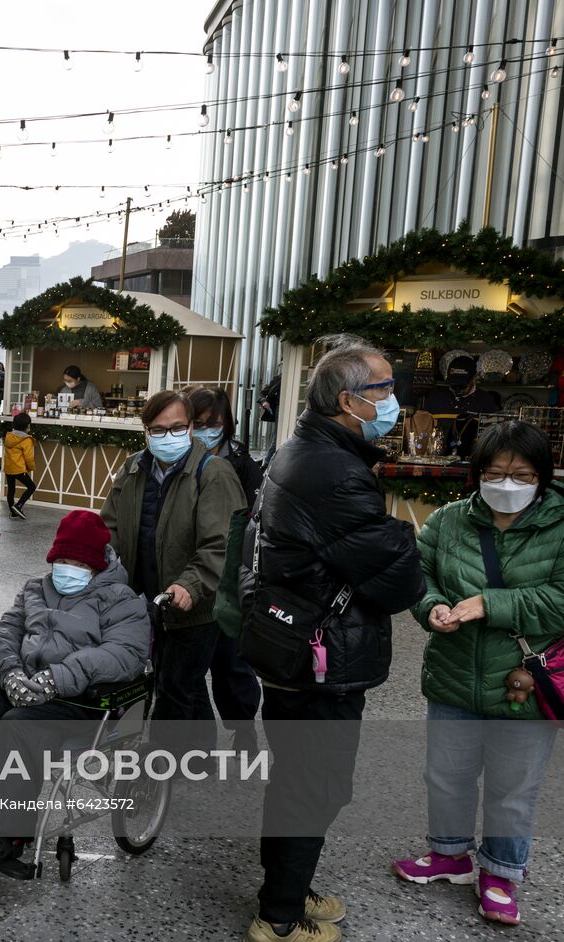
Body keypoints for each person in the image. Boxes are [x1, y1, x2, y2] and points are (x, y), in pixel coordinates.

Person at [239, 335, 425, 942]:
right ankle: (281, 919)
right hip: (322, 655)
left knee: (298, 776)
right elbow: (399, 579)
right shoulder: (336, 471)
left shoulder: (307, 448)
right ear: (349, 400)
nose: (394, 400)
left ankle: (285, 890)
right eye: (385, 389)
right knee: (313, 782)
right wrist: (399, 535)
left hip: (295, 643)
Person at [392, 420, 563, 926]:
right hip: (453, 671)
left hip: (525, 679)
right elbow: (417, 576)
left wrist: (489, 604)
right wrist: (433, 608)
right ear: (477, 472)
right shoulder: (448, 520)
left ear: (543, 476)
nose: (507, 485)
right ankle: (449, 853)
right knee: (447, 775)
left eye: (522, 474)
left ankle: (502, 871)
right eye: (496, 473)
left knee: (514, 786)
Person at [0, 510, 149, 872]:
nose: (66, 568)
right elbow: (3, 633)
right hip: (25, 688)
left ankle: (7, 834)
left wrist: (55, 679)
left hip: (80, 701)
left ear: (94, 563)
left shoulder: (121, 601)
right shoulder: (34, 589)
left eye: (75, 561)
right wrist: (9, 672)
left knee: (17, 725)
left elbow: (125, 654)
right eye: (60, 560)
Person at [101, 389, 247, 761]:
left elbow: (222, 544)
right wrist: (97, 567)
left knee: (173, 686)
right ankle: (198, 753)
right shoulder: (133, 467)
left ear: (190, 428)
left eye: (177, 427)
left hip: (194, 605)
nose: (168, 436)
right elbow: (111, 528)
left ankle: (159, 770)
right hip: (143, 599)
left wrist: (190, 584)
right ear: (146, 431)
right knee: (184, 682)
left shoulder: (213, 472)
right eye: (158, 429)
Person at [188, 385, 264, 753]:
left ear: (226, 423)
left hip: (230, 578)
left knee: (231, 662)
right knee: (187, 668)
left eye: (212, 423)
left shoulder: (245, 466)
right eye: (198, 423)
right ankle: (199, 744)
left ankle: (242, 725)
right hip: (187, 575)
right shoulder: (178, 462)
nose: (206, 429)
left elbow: (254, 524)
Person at [3, 412, 37, 519]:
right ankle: (19, 505)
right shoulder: (26, 440)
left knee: (11, 490)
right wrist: (31, 467)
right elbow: (29, 457)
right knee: (31, 487)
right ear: (27, 426)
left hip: (9, 468)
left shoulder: (9, 436)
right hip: (19, 469)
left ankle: (13, 512)